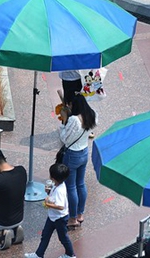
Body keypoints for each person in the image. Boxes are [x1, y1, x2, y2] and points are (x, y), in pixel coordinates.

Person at [59, 93, 97, 229]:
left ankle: (72, 218)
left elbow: (64, 138)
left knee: (71, 187)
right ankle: (80, 214)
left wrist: (64, 121)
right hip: (85, 152)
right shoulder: (92, 114)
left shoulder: (74, 120)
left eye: (70, 104)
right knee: (81, 184)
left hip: (72, 155)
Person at [25, 163, 76, 258]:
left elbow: (61, 206)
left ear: (53, 178)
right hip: (53, 217)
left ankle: (70, 254)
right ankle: (39, 254)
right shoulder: (58, 185)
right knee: (45, 235)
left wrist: (47, 204)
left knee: (63, 237)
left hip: (59, 218)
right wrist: (48, 191)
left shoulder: (59, 190)